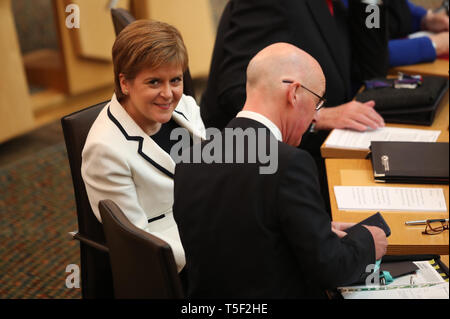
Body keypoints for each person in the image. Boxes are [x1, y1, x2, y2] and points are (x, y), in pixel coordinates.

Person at [173, 43, 388, 298]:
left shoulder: (190, 157)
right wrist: (367, 240)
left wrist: (312, 228)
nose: (313, 118)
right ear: (295, 93)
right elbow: (331, 269)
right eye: (317, 103)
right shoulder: (290, 164)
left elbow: (240, 231)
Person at [81, 20, 205, 273]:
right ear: (125, 82)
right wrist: (212, 243)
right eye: (154, 82)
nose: (169, 94)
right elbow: (137, 241)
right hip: (175, 258)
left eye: (176, 80)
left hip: (208, 221)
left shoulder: (186, 107)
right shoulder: (104, 150)